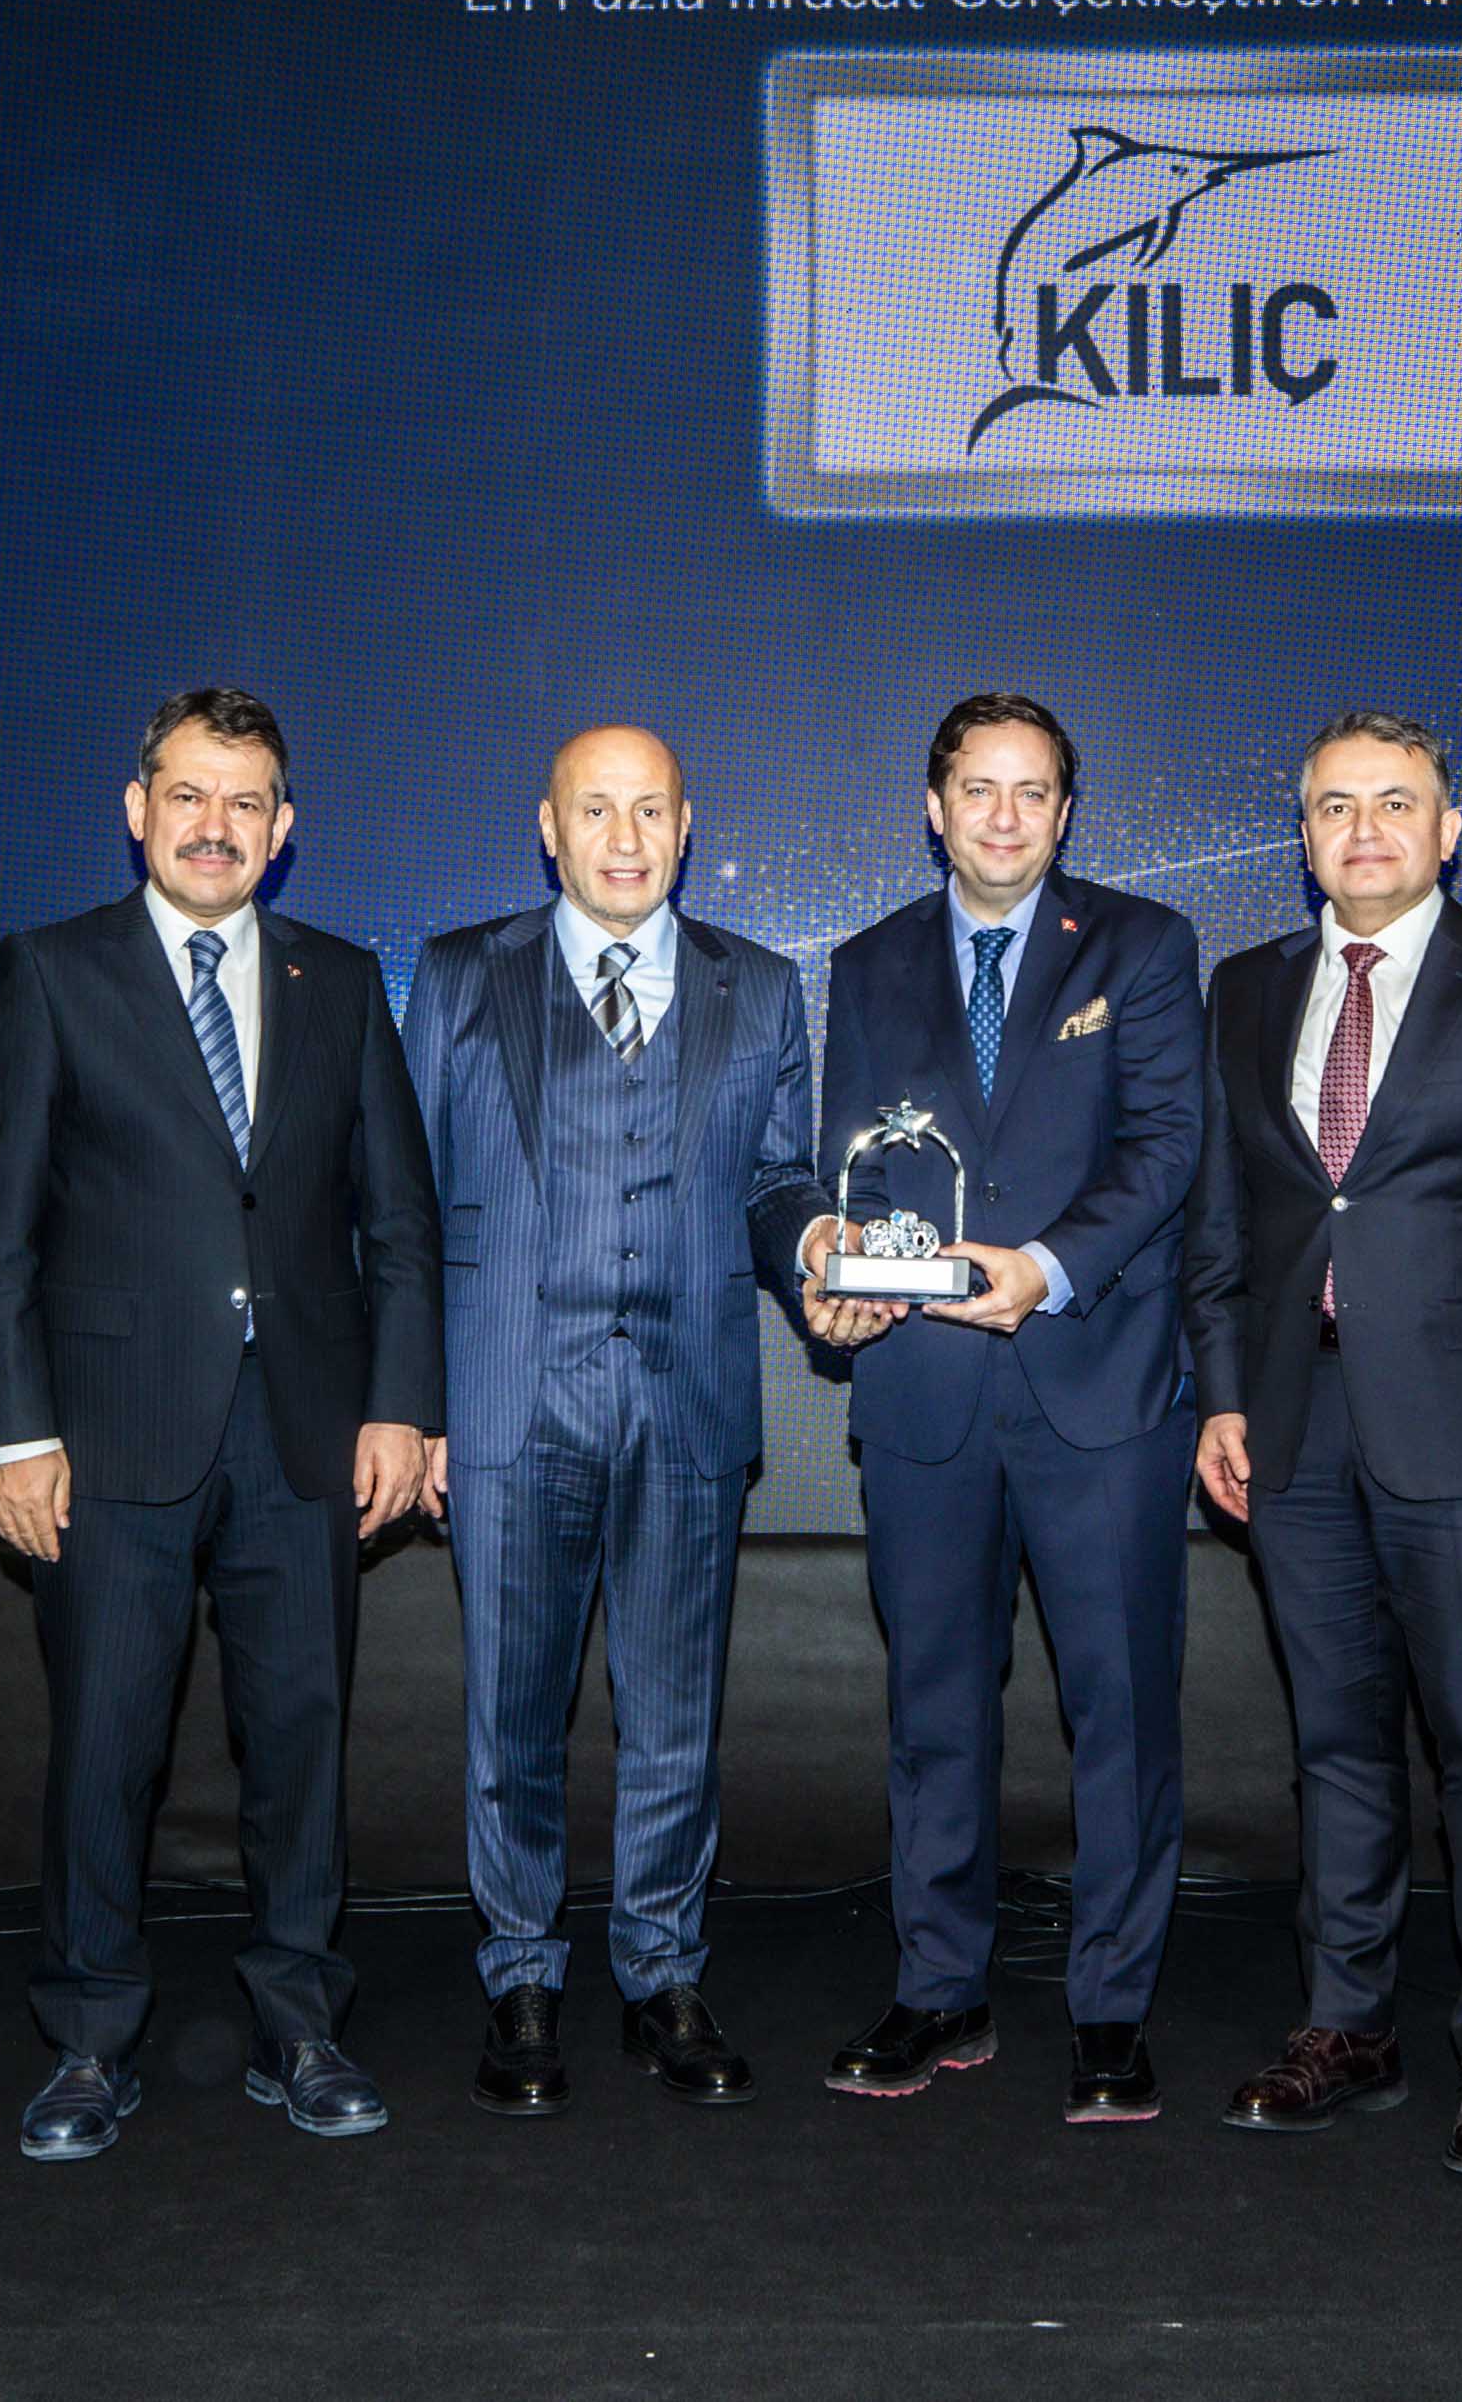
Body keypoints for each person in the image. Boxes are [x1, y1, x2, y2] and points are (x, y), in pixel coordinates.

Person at [0, 686, 444, 2164]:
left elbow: (400, 1223)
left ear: (283, 829)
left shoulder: (339, 981)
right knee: (106, 1747)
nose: (214, 826)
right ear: (138, 809)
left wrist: (401, 1405)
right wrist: (14, 1435)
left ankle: (300, 2026)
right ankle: (89, 2041)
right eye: (189, 795)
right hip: (107, 1441)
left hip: (304, 1437)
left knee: (299, 1743)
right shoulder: (51, 973)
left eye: (245, 802)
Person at [1181, 710, 1462, 2181]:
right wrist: (1223, 1393)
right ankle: (1347, 2023)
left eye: (1394, 803)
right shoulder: (1246, 988)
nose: (1363, 829)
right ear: (1302, 835)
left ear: (1451, 830)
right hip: (1293, 1424)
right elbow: (1224, 1223)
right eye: (1333, 806)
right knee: (1336, 1741)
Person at [405, 724, 869, 2118]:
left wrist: (818, 1243)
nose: (624, 838)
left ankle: (663, 1973)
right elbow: (403, 1204)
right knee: (514, 1719)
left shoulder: (760, 985)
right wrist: (410, 1407)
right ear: (548, 829)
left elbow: (778, 1179)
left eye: (649, 811)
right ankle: (521, 1979)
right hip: (506, 1400)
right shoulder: (460, 974)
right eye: (595, 811)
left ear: (686, 825)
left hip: (687, 1400)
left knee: (674, 1720)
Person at [812, 696, 1204, 2123]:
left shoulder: (1142, 946)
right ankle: (941, 1989)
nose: (1003, 815)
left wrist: (1044, 1267)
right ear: (934, 808)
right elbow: (852, 1164)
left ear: (1066, 812)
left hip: (1096, 1386)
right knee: (933, 1711)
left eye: (1032, 791)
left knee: (1122, 1715)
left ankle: (1111, 2010)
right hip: (924, 1393)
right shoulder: (867, 965)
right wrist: (843, 1264)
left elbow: (1168, 1147)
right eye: (978, 789)